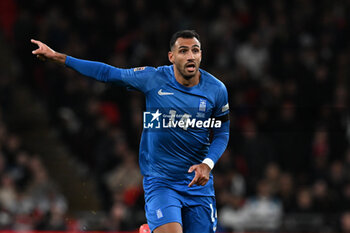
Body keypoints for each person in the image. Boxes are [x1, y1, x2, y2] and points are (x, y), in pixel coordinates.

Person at [31, 30, 230, 233]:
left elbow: (222, 131)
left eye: (195, 51)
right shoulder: (153, 78)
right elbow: (108, 73)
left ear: (201, 55)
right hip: (162, 182)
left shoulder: (216, 90)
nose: (190, 56)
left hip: (198, 185)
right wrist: (59, 57)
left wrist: (207, 164)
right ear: (171, 57)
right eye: (183, 51)